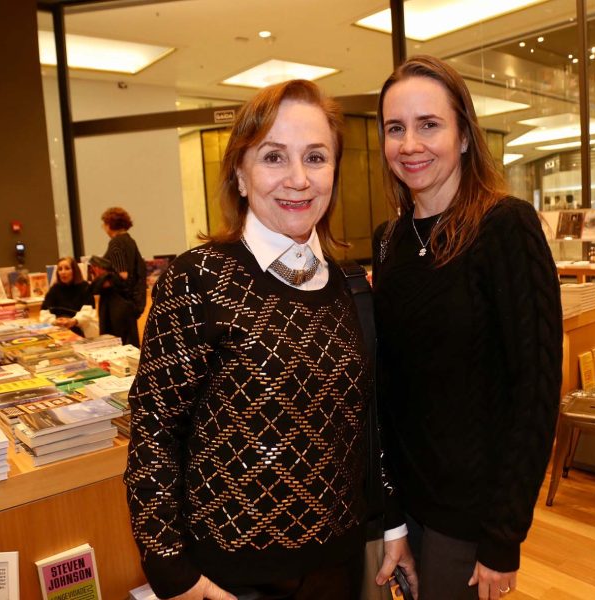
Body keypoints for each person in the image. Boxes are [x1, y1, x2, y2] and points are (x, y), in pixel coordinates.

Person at [125, 80, 376, 600]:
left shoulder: (349, 283)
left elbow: (362, 425)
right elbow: (153, 431)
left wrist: (387, 527)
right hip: (231, 578)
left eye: (315, 157)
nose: (299, 179)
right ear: (240, 173)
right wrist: (177, 576)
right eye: (274, 157)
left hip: (341, 565)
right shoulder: (198, 278)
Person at [371, 55, 563, 600]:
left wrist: (504, 535)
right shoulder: (390, 241)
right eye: (395, 128)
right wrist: (392, 516)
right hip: (408, 504)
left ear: (461, 136)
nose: (410, 144)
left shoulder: (506, 227)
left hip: (470, 514)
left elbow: (536, 390)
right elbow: (391, 387)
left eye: (429, 124)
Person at [92, 207, 146, 346]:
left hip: (117, 305)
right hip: (128, 304)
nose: (103, 228)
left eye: (104, 224)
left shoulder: (116, 242)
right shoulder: (130, 241)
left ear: (110, 224)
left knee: (115, 347)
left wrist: (103, 280)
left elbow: (123, 275)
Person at [40, 256, 97, 337]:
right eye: (60, 269)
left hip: (82, 330)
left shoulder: (84, 287)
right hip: (59, 332)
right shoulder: (54, 289)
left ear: (74, 271)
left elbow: (88, 312)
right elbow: (44, 312)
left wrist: (74, 321)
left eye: (67, 268)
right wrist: (54, 321)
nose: (63, 272)